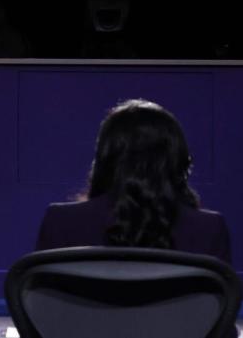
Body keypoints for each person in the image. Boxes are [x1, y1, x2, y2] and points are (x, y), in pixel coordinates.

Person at [35, 99, 231, 264]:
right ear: (178, 160)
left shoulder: (60, 222)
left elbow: (41, 303)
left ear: (104, 158)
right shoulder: (209, 229)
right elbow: (219, 307)